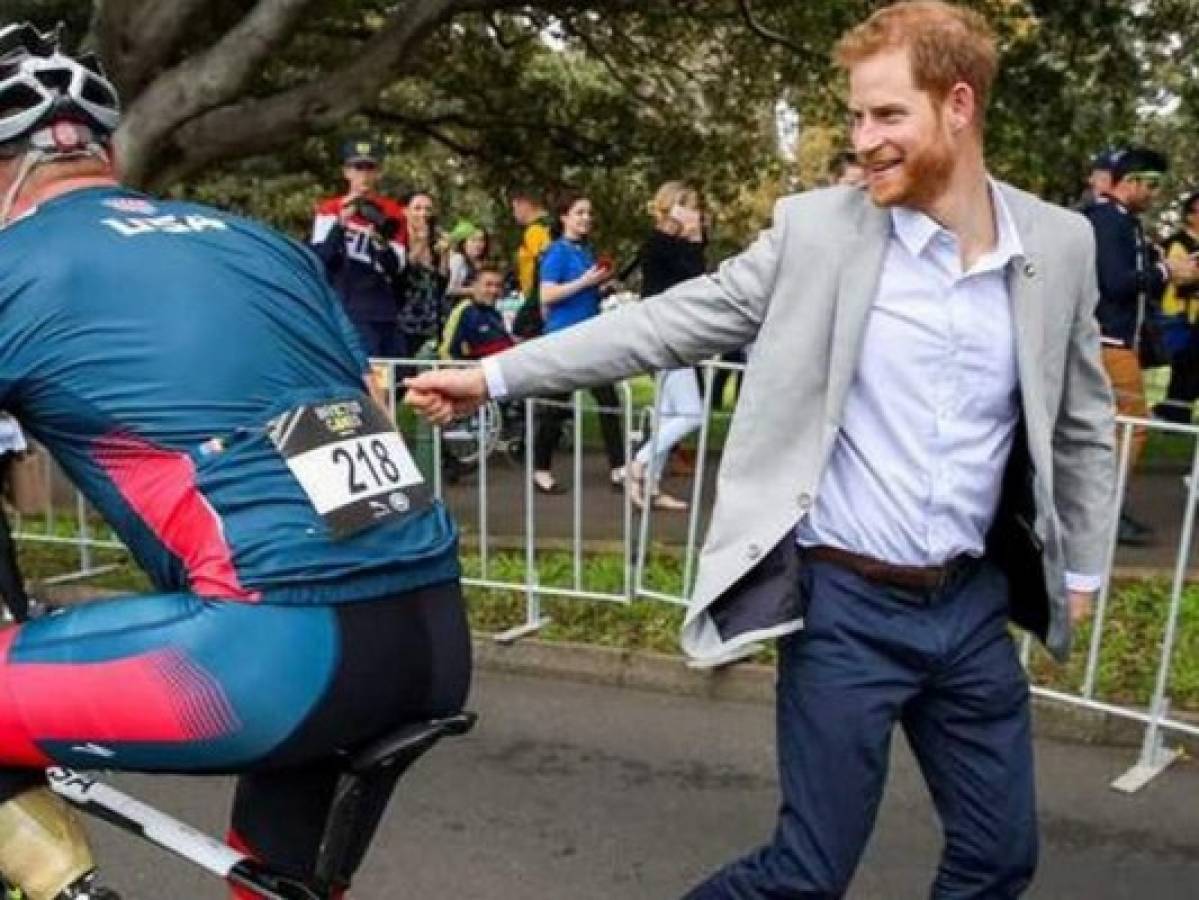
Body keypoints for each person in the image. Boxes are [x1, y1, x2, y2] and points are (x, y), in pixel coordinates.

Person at [405, 3, 1116, 897]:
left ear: (958, 105)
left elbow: (1082, 420)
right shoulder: (817, 231)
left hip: (970, 609)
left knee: (998, 857)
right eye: (855, 116)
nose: (863, 140)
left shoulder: (1058, 243)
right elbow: (665, 324)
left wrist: (1081, 567)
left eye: (887, 115)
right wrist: (496, 377)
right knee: (806, 875)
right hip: (847, 609)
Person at [0, 23, 470, 900]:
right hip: (428, 633)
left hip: (269, 653)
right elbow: (360, 402)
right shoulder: (260, 243)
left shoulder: (13, 264)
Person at [1083, 147, 1198, 545]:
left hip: (1112, 342)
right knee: (1131, 429)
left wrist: (1159, 264)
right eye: (1151, 185)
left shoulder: (1121, 223)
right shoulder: (1109, 223)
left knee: (1114, 429)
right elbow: (1115, 283)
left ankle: (1099, 509)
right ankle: (1106, 513)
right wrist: (1168, 270)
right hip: (1108, 343)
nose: (1155, 194)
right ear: (1130, 183)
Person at [528, 190, 625, 495]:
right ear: (565, 217)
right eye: (580, 212)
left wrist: (602, 287)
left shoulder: (585, 252)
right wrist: (586, 282)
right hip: (565, 337)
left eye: (589, 213)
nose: (586, 218)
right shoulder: (556, 252)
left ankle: (619, 469)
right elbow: (547, 295)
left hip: (590, 336)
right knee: (556, 407)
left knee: (609, 402)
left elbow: (583, 291)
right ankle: (541, 470)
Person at [628, 181, 708, 511]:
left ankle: (650, 486)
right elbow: (693, 278)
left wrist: (695, 238)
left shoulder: (674, 244)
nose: (696, 214)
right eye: (688, 207)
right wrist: (693, 238)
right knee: (691, 414)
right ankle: (640, 463)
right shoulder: (659, 243)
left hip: (673, 334)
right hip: (664, 336)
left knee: (670, 414)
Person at [311, 138, 407, 357]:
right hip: (345, 304)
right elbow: (321, 259)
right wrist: (340, 224)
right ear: (347, 172)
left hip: (382, 307)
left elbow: (397, 268)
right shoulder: (329, 209)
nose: (364, 175)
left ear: (378, 173)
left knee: (392, 375)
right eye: (358, 168)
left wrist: (380, 239)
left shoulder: (392, 212)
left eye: (370, 168)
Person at [1153, 191, 1199, 423]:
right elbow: (1179, 277)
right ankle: (1172, 414)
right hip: (1179, 316)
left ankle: (1174, 413)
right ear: (1190, 216)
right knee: (1185, 368)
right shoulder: (1178, 243)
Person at [395, 189, 446, 358]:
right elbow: (403, 270)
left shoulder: (436, 241)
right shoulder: (398, 240)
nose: (423, 213)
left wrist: (445, 255)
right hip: (403, 320)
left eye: (427, 209)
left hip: (431, 320)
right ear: (405, 211)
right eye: (417, 208)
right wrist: (421, 240)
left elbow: (442, 280)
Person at [439, 264, 515, 361]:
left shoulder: (495, 314)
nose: (494, 290)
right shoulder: (465, 311)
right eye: (488, 285)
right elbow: (447, 351)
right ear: (475, 285)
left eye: (498, 286)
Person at [443, 220, 490, 302]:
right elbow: (450, 289)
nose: (478, 244)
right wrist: (475, 290)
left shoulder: (481, 262)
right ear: (464, 243)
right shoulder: (458, 259)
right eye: (473, 240)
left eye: (481, 240)